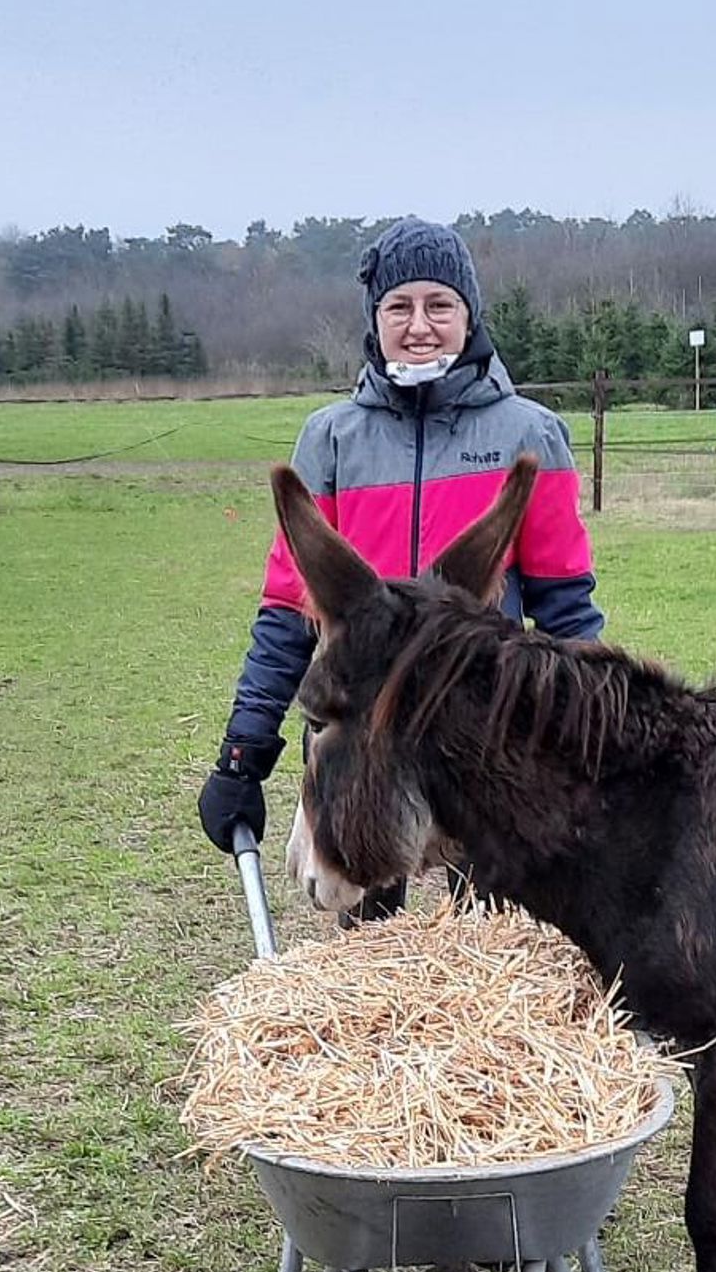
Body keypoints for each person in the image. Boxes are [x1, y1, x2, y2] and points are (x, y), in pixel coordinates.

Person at [197, 216, 604, 922]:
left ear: (469, 316)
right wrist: (244, 752)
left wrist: (592, 753)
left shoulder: (529, 435)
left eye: (439, 305)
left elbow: (567, 612)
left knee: (495, 971)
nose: (420, 326)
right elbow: (286, 616)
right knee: (368, 968)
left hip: (487, 760)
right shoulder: (330, 440)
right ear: (375, 318)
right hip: (365, 760)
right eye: (399, 307)